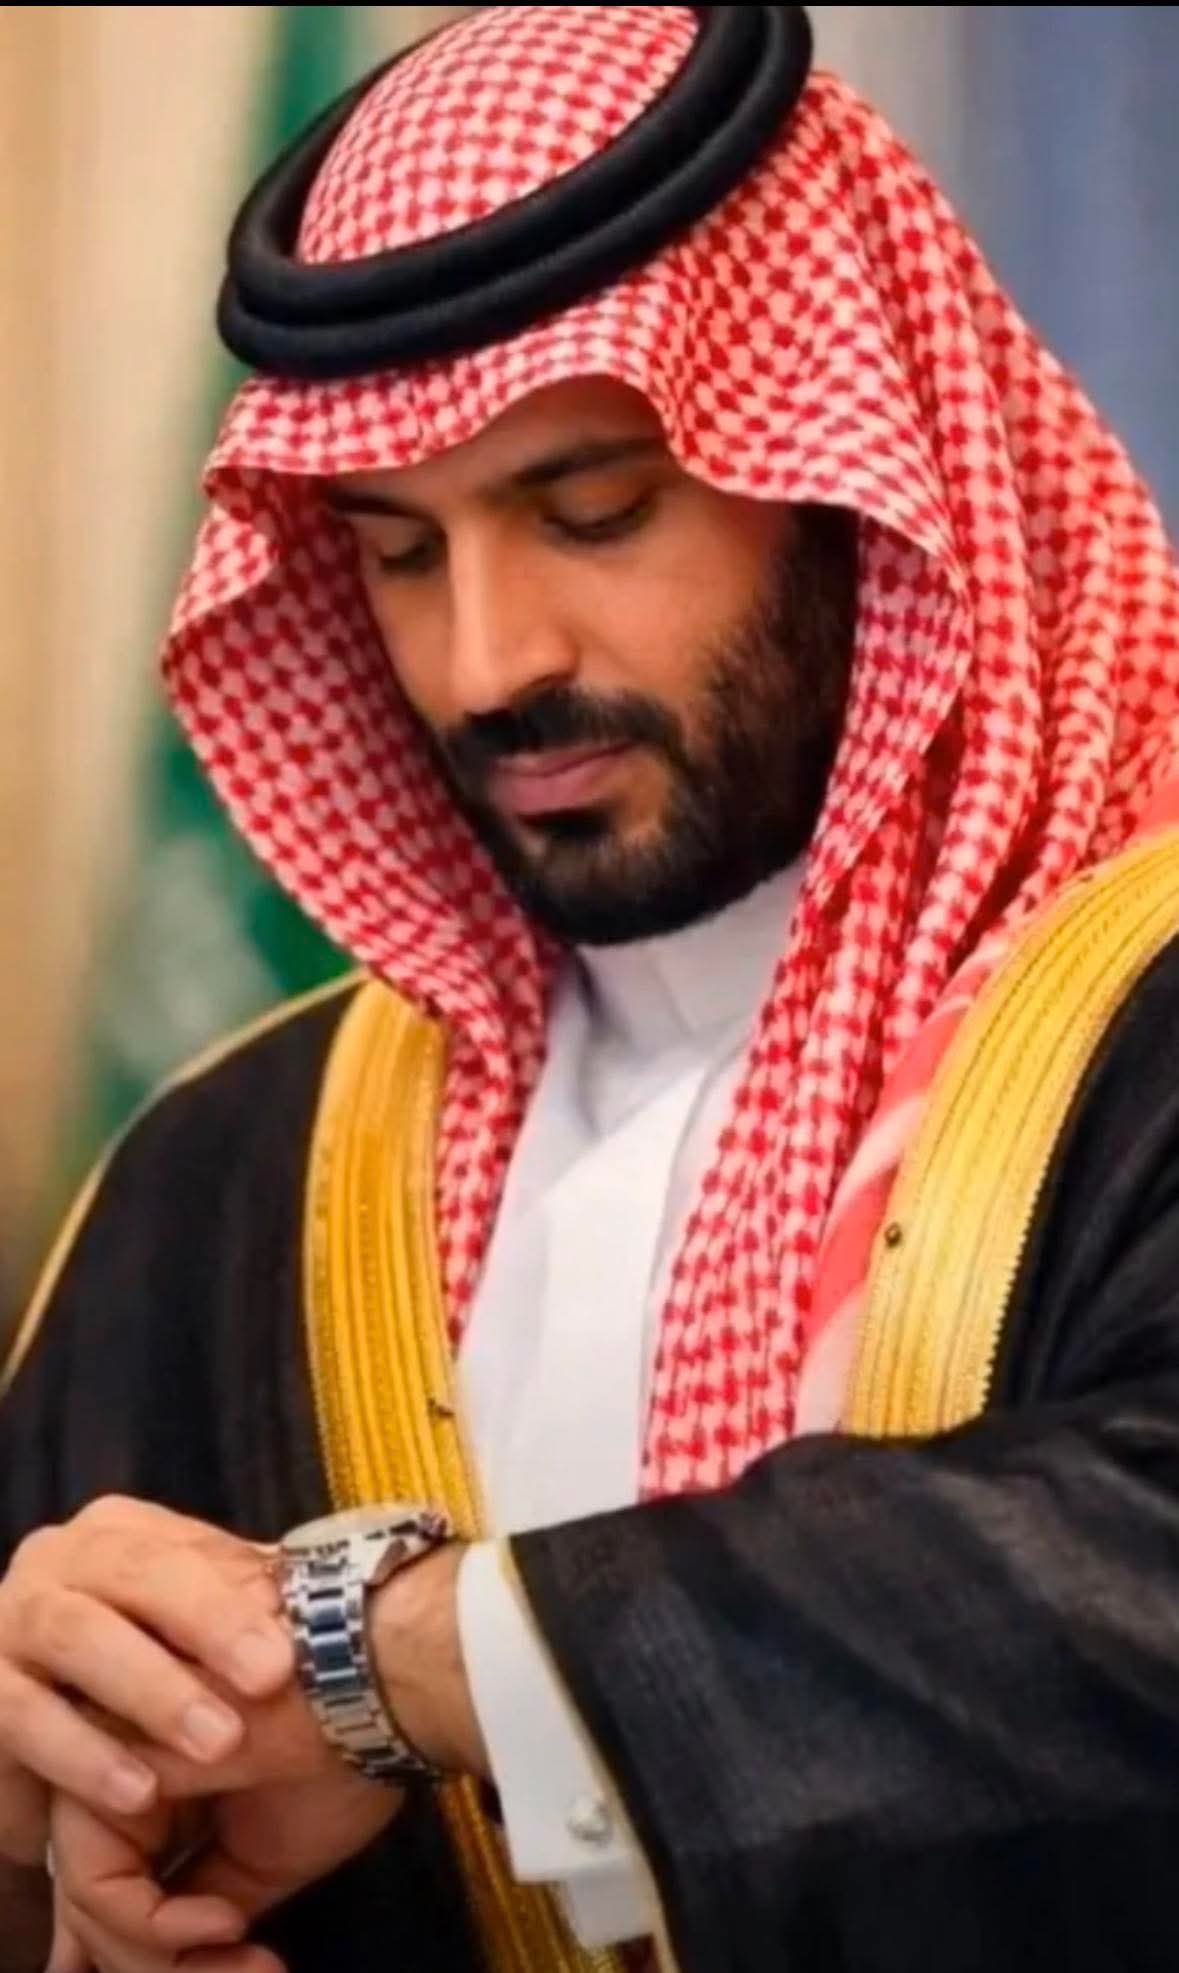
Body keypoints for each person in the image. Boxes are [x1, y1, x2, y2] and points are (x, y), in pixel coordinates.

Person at [4, 5, 1179, 1969]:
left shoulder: (1141, 1035)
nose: (487, 666)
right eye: (396, 553)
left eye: (592, 511)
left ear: (851, 470)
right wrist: (54, 1823)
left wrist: (399, 1659)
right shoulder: (224, 1186)